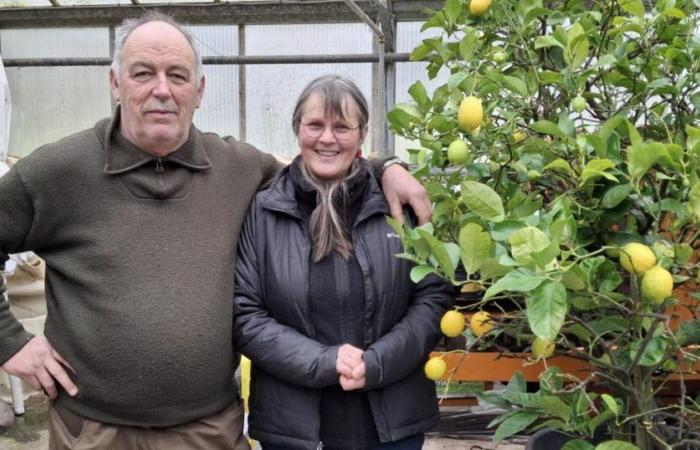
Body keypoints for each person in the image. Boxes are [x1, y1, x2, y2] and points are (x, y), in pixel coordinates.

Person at [0, 13, 432, 450]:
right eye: (143, 73)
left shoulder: (236, 167)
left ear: (199, 91)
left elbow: (318, 165)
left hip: (207, 430)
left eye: (178, 76)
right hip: (93, 429)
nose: (162, 90)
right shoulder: (59, 171)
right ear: (115, 83)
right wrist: (10, 342)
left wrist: (388, 168)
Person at [233, 75, 452, 450]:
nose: (327, 138)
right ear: (297, 130)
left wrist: (379, 362)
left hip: (392, 426)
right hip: (294, 431)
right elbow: (245, 315)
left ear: (363, 134)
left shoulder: (398, 206)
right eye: (315, 125)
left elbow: (433, 298)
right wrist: (324, 361)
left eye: (342, 127)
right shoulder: (264, 210)